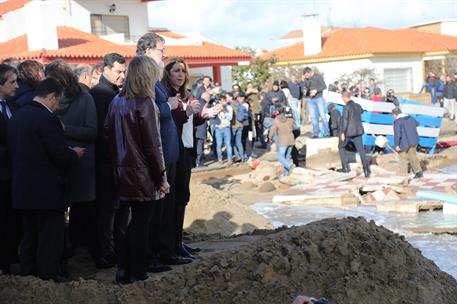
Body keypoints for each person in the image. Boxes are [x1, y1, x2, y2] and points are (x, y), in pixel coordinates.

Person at [8, 78, 85, 281]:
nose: (57, 106)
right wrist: (75, 154)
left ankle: (28, 278)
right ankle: (46, 280)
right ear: (52, 97)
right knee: (49, 238)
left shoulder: (17, 115)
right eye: (58, 101)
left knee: (29, 237)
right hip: (47, 192)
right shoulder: (47, 119)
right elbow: (60, 156)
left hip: (23, 190)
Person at [104, 55, 170, 284]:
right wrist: (161, 177)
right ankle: (137, 270)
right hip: (142, 173)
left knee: (130, 223)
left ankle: (124, 268)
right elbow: (153, 145)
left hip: (122, 171)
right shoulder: (145, 103)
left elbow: (108, 135)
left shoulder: (117, 101)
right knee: (141, 224)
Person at [136, 32, 192, 267]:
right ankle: (155, 254)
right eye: (161, 50)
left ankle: (167, 250)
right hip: (158, 155)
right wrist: (167, 106)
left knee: (167, 208)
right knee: (156, 211)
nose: (164, 55)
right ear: (148, 51)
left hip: (170, 152)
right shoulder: (145, 80)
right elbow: (145, 110)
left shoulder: (155, 80)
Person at [45, 60, 98, 257]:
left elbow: (93, 131)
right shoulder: (47, 99)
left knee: (83, 208)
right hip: (56, 161)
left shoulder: (85, 97)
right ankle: (64, 248)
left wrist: (65, 129)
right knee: (58, 209)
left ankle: (82, 247)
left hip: (81, 161)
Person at [163, 58, 209, 260]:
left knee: (182, 197)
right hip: (175, 151)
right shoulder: (166, 96)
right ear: (168, 73)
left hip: (187, 149)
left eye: (183, 71)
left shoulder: (186, 95)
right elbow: (170, 122)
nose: (181, 74)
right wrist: (188, 112)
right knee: (174, 200)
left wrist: (203, 115)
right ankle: (171, 245)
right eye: (176, 70)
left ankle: (178, 242)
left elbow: (189, 121)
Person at [89, 53, 127, 269]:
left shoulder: (114, 93)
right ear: (105, 69)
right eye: (118, 72)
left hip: (116, 161)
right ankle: (104, 252)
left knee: (118, 208)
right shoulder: (100, 95)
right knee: (107, 209)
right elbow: (103, 134)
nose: (122, 76)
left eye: (124, 72)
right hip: (106, 162)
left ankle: (115, 248)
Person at [0, 64, 21, 275]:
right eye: (12, 82)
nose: (17, 86)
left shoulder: (14, 106)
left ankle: (11, 257)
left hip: (14, 174)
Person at [338, 91, 370, 177]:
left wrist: (343, 132)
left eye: (343, 99)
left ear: (345, 98)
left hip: (348, 131)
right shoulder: (357, 105)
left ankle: (345, 168)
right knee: (361, 150)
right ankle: (366, 170)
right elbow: (362, 111)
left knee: (341, 147)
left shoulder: (346, 107)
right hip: (358, 130)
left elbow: (345, 120)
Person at [392, 107, 423, 178]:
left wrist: (396, 145)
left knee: (402, 159)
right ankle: (419, 173)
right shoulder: (410, 118)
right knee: (413, 157)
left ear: (395, 114)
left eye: (393, 115)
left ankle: (404, 176)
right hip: (413, 141)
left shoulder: (397, 122)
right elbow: (417, 124)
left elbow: (397, 134)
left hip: (403, 143)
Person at [302, 67, 329, 138]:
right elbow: (305, 88)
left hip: (319, 98)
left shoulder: (318, 76)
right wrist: (305, 91)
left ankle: (326, 132)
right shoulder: (306, 79)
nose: (306, 77)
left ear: (309, 72)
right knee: (313, 117)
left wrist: (316, 90)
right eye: (305, 76)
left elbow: (324, 86)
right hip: (310, 99)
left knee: (323, 116)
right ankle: (315, 133)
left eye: (307, 75)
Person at [269, 105, 296, 176]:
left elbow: (272, 130)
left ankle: (290, 166)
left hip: (283, 140)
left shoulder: (276, 120)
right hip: (291, 139)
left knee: (280, 157)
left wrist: (270, 137)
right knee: (287, 157)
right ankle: (286, 174)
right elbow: (295, 127)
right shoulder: (290, 119)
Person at [215, 95, 233, 162]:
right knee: (219, 145)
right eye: (221, 101)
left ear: (226, 101)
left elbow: (230, 118)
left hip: (226, 128)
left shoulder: (229, 108)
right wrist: (217, 110)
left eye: (224, 101)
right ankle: (220, 159)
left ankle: (230, 159)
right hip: (218, 128)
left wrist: (225, 111)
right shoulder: (216, 107)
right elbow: (213, 116)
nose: (222, 103)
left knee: (228, 144)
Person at [232, 92, 249, 162]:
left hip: (234, 125)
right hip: (241, 125)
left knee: (232, 142)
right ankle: (242, 157)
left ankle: (237, 155)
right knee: (239, 142)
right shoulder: (243, 106)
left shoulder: (232, 105)